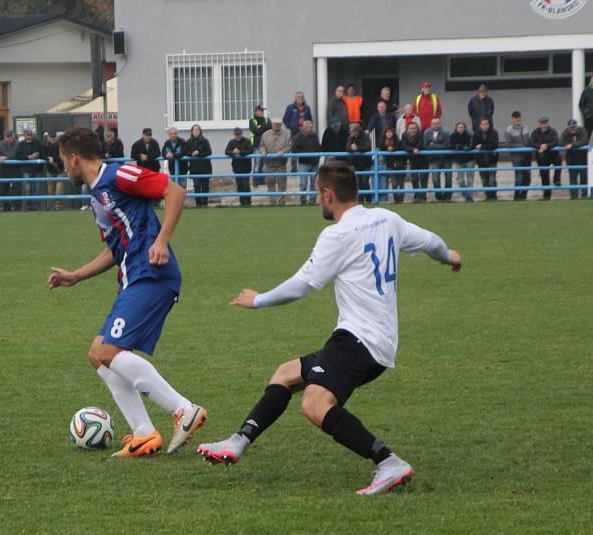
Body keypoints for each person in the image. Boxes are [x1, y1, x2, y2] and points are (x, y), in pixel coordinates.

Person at [196, 161, 462, 496]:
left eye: (318, 194)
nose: (317, 201)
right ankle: (238, 442)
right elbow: (432, 242)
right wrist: (449, 257)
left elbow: (302, 286)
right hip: (374, 338)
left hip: (360, 341)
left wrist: (258, 300)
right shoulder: (387, 219)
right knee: (286, 373)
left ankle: (388, 462)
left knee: (314, 404)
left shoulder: (337, 234)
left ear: (328, 193)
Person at [49, 127, 207, 458]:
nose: (64, 168)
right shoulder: (97, 198)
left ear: (75, 158)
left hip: (152, 275)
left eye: (64, 161)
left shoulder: (119, 175)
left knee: (108, 351)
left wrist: (161, 240)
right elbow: (115, 249)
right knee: (98, 353)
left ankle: (183, 409)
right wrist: (76, 275)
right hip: (133, 278)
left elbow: (174, 192)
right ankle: (144, 434)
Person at [259, 116, 292, 207]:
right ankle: (272, 202)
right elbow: (261, 145)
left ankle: (281, 202)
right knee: (270, 182)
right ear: (272, 124)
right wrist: (262, 151)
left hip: (281, 163)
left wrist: (283, 151)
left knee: (282, 182)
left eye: (279, 125)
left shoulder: (286, 135)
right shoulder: (265, 134)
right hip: (269, 163)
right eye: (275, 125)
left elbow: (289, 146)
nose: (277, 126)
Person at [12, 129, 46, 211]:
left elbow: (43, 154)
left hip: (37, 169)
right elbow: (17, 156)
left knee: (37, 189)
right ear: (24, 135)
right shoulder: (21, 144)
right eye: (28, 134)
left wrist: (37, 155)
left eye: (31, 134)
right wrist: (28, 157)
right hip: (26, 169)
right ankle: (27, 206)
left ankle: (36, 206)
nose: (29, 136)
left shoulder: (38, 143)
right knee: (27, 189)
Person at [529, 117, 561, 201]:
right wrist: (540, 146)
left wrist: (546, 146)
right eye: (542, 124)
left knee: (559, 161)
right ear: (539, 124)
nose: (544, 126)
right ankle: (547, 195)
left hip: (552, 154)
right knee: (544, 175)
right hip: (542, 157)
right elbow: (531, 142)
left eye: (545, 124)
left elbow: (556, 141)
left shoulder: (553, 131)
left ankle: (556, 179)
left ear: (547, 123)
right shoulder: (535, 132)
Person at [292, 120, 321, 205]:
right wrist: (305, 154)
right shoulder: (299, 137)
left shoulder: (314, 136)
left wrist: (317, 157)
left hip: (314, 162)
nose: (311, 129)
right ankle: (303, 199)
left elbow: (318, 147)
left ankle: (312, 199)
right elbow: (294, 149)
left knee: (313, 182)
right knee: (303, 182)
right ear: (305, 128)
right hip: (304, 163)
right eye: (310, 128)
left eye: (311, 127)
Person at [505, 111, 532, 201]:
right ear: (512, 119)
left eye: (519, 117)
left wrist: (526, 148)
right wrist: (522, 147)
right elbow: (509, 144)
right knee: (519, 177)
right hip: (516, 156)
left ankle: (524, 196)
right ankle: (517, 196)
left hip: (527, 155)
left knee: (527, 177)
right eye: (516, 118)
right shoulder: (509, 130)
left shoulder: (525, 127)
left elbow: (528, 141)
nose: (518, 119)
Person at [423, 118, 452, 202]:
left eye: (437, 123)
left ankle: (447, 197)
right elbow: (426, 146)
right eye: (434, 124)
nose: (436, 125)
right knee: (435, 179)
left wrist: (433, 145)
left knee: (448, 178)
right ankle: (439, 197)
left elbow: (447, 145)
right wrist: (438, 146)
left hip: (446, 158)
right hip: (434, 159)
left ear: (440, 124)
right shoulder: (427, 133)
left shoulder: (446, 132)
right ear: (431, 124)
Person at [184, 124, 213, 207]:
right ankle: (198, 203)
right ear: (192, 132)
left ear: (200, 131)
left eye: (197, 130)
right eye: (194, 130)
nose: (196, 132)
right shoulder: (189, 141)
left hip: (205, 167)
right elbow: (186, 151)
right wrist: (191, 153)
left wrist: (199, 153)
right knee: (196, 185)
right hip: (194, 167)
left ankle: (205, 203)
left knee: (205, 186)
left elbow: (209, 152)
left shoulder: (205, 141)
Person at [560, 119, 589, 200]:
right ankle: (573, 197)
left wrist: (573, 145)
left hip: (582, 157)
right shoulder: (565, 132)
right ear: (568, 127)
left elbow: (585, 141)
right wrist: (567, 145)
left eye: (574, 127)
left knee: (584, 177)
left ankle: (585, 196)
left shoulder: (582, 130)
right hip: (571, 158)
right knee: (573, 178)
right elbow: (561, 142)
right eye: (571, 128)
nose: (573, 129)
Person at [224, 127, 253, 206]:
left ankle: (248, 202)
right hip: (236, 168)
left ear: (242, 134)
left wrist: (240, 152)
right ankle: (242, 202)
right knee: (239, 186)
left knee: (246, 185)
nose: (238, 136)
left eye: (239, 134)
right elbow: (226, 151)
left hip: (246, 167)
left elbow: (250, 150)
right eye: (236, 134)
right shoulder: (231, 142)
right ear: (234, 135)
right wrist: (233, 152)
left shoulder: (247, 141)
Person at [472, 118, 499, 201]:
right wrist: (485, 145)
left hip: (492, 160)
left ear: (489, 125)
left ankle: (493, 197)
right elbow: (474, 145)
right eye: (483, 124)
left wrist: (482, 146)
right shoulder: (476, 134)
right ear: (480, 125)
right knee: (484, 180)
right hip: (481, 161)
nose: (485, 126)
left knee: (492, 179)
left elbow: (494, 145)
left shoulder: (494, 133)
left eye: (486, 124)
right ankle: (487, 196)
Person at [400, 122, 426, 202]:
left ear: (417, 129)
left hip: (423, 159)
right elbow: (404, 146)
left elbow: (421, 144)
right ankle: (417, 195)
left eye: (414, 128)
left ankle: (423, 197)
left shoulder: (421, 134)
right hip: (413, 159)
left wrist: (416, 148)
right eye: (411, 128)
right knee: (414, 179)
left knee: (423, 179)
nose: (412, 130)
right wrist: (413, 149)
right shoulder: (404, 135)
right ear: (408, 129)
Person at [346, 123, 372, 202]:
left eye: (352, 131)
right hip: (356, 163)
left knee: (364, 181)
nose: (350, 133)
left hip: (366, 163)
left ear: (356, 131)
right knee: (358, 182)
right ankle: (360, 200)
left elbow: (367, 148)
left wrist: (357, 148)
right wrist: (351, 148)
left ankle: (368, 199)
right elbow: (347, 148)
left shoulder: (365, 137)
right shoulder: (351, 138)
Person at [449, 121, 475, 202]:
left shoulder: (469, 135)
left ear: (465, 128)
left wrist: (460, 146)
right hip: (459, 160)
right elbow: (452, 146)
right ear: (456, 128)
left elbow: (470, 146)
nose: (460, 129)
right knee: (460, 181)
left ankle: (469, 197)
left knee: (470, 180)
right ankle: (467, 195)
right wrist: (462, 147)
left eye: (462, 127)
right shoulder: (453, 136)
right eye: (459, 127)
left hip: (469, 159)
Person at [378, 128, 405, 204]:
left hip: (400, 164)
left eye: (390, 132)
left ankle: (401, 199)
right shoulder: (382, 143)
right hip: (390, 165)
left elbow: (401, 149)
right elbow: (382, 150)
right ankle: (396, 199)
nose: (389, 134)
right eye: (387, 132)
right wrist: (388, 150)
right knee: (394, 183)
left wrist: (393, 149)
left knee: (401, 182)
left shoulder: (398, 142)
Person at [248, 104, 271, 187]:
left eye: (263, 111)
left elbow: (270, 127)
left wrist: (261, 127)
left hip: (265, 145)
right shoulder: (252, 120)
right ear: (256, 111)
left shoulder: (266, 119)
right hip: (256, 145)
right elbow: (255, 130)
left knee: (264, 164)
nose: (262, 112)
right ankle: (256, 180)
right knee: (257, 163)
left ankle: (262, 180)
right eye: (261, 111)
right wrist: (263, 128)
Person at [0, 129, 19, 212]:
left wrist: (6, 158)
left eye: (10, 136)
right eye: (7, 136)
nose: (9, 138)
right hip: (4, 169)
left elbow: (18, 154)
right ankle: (6, 207)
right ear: (4, 137)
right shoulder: (1, 143)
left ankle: (16, 207)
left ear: (14, 136)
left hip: (15, 168)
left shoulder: (18, 144)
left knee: (16, 188)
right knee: (3, 188)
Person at [44, 133, 65, 210]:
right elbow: (43, 155)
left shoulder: (61, 146)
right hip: (50, 170)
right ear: (48, 137)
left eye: (54, 137)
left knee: (59, 189)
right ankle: (51, 207)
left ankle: (58, 206)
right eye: (51, 137)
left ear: (56, 137)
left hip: (60, 170)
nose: (53, 138)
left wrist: (54, 159)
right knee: (50, 190)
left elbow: (63, 156)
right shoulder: (45, 146)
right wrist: (47, 159)